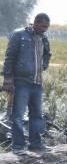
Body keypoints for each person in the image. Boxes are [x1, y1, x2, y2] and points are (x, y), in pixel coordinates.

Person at [2, 13, 52, 155]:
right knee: (18, 115)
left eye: (47, 27)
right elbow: (9, 57)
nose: (45, 29)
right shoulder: (19, 35)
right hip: (22, 81)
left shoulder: (44, 38)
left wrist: (44, 65)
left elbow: (48, 54)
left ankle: (35, 144)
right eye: (43, 26)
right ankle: (18, 146)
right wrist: (7, 79)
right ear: (35, 23)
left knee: (36, 115)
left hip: (37, 82)